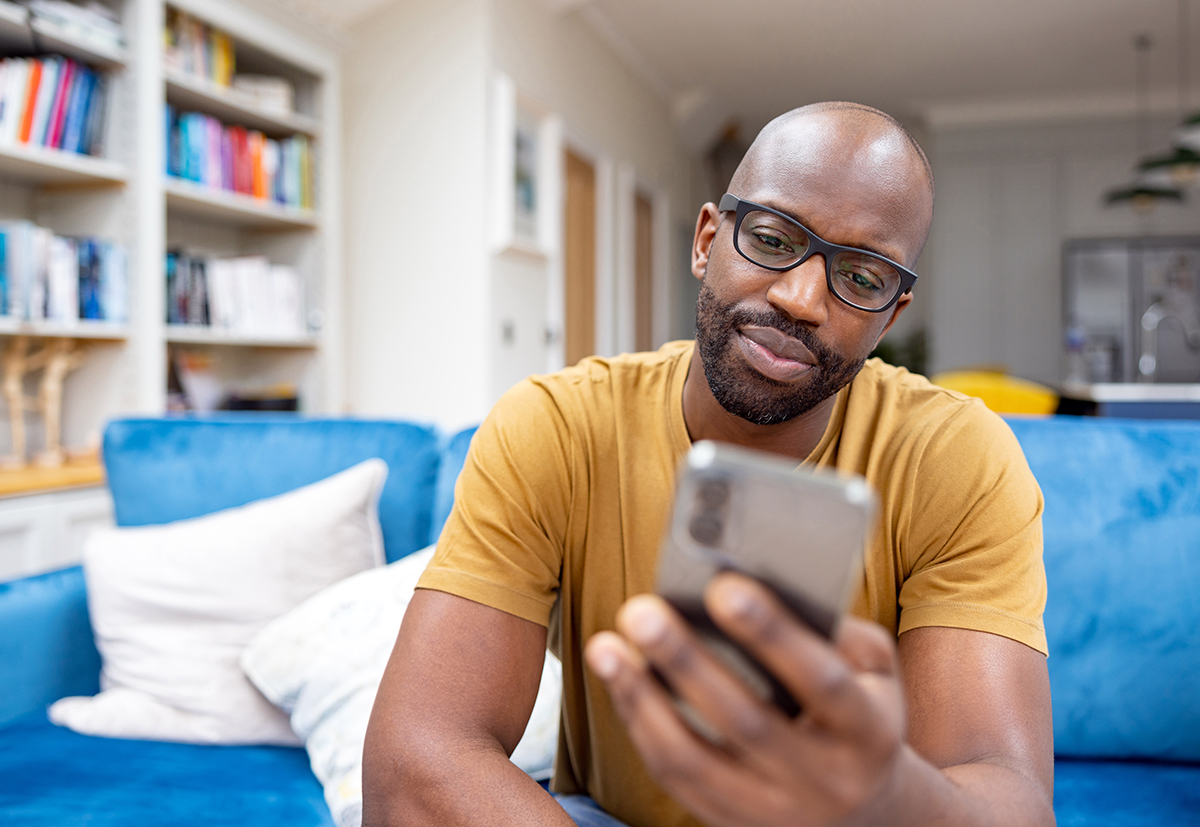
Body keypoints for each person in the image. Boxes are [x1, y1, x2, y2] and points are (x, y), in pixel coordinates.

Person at [362, 102, 1053, 827]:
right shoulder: (557, 426)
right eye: (771, 238)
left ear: (891, 316)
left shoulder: (958, 458)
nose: (799, 298)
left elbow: (1009, 801)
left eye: (862, 277)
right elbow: (415, 761)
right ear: (705, 240)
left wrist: (888, 796)